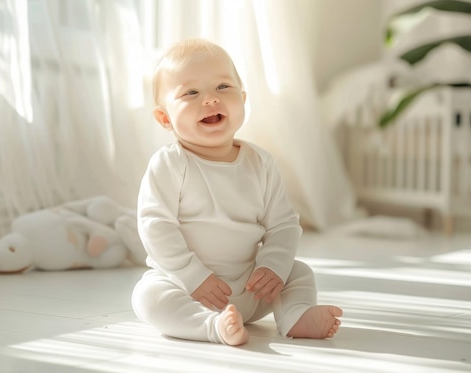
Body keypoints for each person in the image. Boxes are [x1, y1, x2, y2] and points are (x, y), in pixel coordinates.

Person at [131, 38, 342, 346]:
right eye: (191, 92)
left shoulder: (261, 163)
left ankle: (296, 314)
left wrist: (273, 266)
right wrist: (192, 275)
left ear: (243, 99)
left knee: (298, 272)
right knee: (148, 297)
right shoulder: (170, 163)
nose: (210, 100)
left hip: (251, 287)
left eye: (223, 87)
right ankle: (212, 326)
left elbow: (283, 224)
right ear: (165, 118)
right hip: (187, 286)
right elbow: (155, 226)